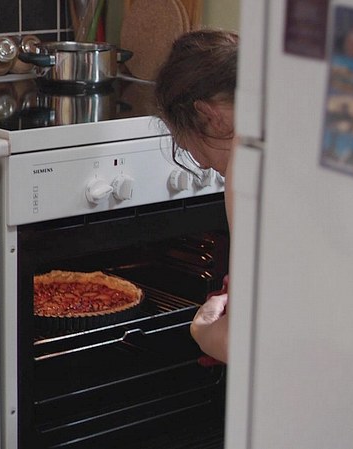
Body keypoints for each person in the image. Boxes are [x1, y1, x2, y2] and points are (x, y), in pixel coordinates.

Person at [154, 29, 239, 363]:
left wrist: (203, 328)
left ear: (210, 117)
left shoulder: (247, 166)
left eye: (189, 146)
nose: (202, 164)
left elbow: (241, 344)